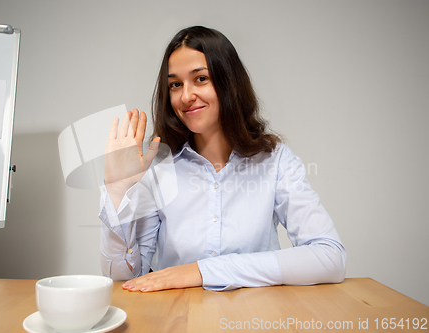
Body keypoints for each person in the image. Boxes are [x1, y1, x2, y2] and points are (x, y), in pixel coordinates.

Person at [99, 26, 346, 292]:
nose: (185, 96)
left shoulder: (275, 162)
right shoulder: (156, 167)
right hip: (179, 320)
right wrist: (117, 190)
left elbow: (330, 257)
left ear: (230, 82)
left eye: (201, 79)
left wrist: (202, 271)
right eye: (175, 84)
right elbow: (126, 276)